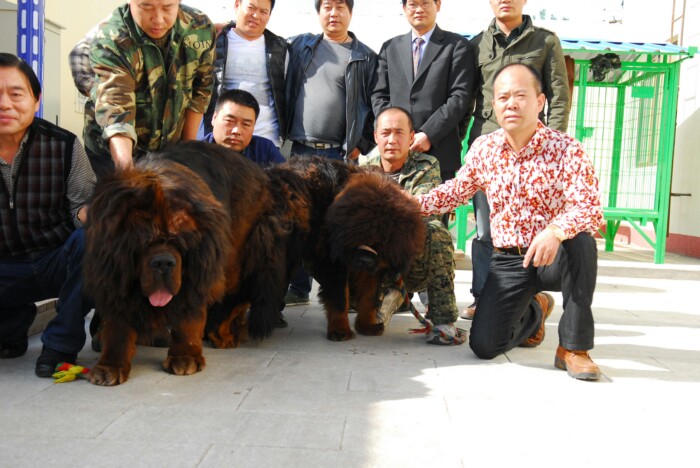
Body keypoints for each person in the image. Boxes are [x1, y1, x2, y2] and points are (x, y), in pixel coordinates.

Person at [417, 63, 603, 380]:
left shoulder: (566, 150)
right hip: (507, 260)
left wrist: (555, 232)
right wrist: (412, 204)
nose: (511, 104)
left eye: (520, 95)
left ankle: (573, 348)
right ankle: (536, 309)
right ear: (494, 104)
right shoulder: (484, 148)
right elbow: (457, 191)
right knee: (484, 346)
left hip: (553, 256)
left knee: (581, 242)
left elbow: (590, 207)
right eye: (503, 97)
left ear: (540, 102)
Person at [465, 0, 571, 320]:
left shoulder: (545, 41)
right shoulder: (475, 46)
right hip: (489, 153)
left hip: (531, 154)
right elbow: (465, 99)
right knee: (486, 232)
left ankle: (529, 299)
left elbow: (558, 98)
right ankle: (483, 296)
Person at [0, 53, 95, 377]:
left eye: (16, 94)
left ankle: (59, 347)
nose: (5, 104)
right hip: (3, 268)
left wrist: (100, 215)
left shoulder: (64, 144)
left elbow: (81, 207)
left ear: (35, 99)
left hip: (54, 258)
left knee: (93, 238)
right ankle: (11, 325)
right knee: (6, 342)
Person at [283, 0, 378, 306]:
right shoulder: (300, 46)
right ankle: (297, 287)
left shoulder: (365, 57)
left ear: (351, 12)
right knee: (295, 222)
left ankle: (341, 293)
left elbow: (377, 107)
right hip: (299, 150)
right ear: (319, 12)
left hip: (338, 156)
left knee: (335, 225)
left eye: (340, 6)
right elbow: (266, 42)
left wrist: (362, 144)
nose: (333, 13)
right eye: (327, 6)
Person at [73, 0, 216, 180]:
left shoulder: (200, 28)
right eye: (146, 6)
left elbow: (200, 92)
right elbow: (117, 110)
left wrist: (187, 153)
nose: (158, 19)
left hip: (168, 148)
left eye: (167, 8)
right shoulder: (112, 38)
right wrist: (126, 175)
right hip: (112, 152)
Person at [362, 107, 461, 345]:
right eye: (385, 133)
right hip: (378, 263)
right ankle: (390, 295)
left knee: (436, 232)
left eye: (399, 132)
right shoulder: (364, 170)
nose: (392, 140)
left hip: (412, 261)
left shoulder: (426, 165)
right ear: (376, 136)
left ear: (411, 136)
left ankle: (443, 320)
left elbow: (421, 213)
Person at [372, 0, 476, 185]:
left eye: (425, 3)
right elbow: (379, 95)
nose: (419, 9)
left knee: (433, 213)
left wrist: (429, 134)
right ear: (404, 8)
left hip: (438, 153)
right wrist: (396, 134)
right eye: (413, 4)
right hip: (395, 156)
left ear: (438, 5)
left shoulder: (457, 46)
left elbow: (459, 97)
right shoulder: (390, 48)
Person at [201, 0, 287, 147]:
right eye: (251, 8)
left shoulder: (281, 48)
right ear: (237, 5)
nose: (256, 15)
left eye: (263, 12)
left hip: (266, 140)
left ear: (269, 15)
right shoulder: (213, 41)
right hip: (223, 140)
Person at [203, 88, 285, 166]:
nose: (236, 131)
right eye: (229, 121)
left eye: (246, 124)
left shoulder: (264, 150)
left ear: (254, 126)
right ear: (214, 118)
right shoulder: (196, 153)